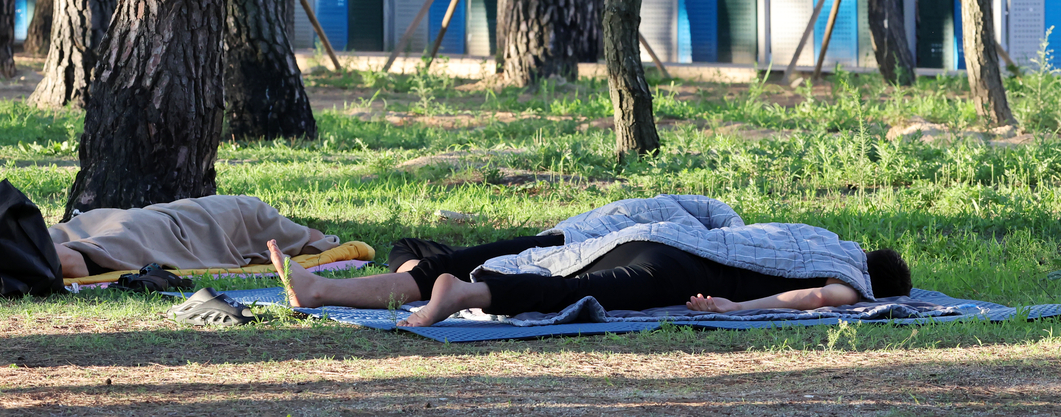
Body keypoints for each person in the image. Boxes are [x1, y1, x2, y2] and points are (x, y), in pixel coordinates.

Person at [266, 194, 912, 327]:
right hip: (680, 271)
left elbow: (718, 212)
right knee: (559, 293)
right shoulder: (852, 279)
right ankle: (464, 296)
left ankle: (317, 292)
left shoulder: (814, 231)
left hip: (641, 231)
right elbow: (818, 300)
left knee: (533, 260)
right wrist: (736, 306)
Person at [50, 195, 338, 278]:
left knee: (74, 248)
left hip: (137, 221)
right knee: (83, 253)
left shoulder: (249, 214)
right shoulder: (253, 213)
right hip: (151, 225)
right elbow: (314, 240)